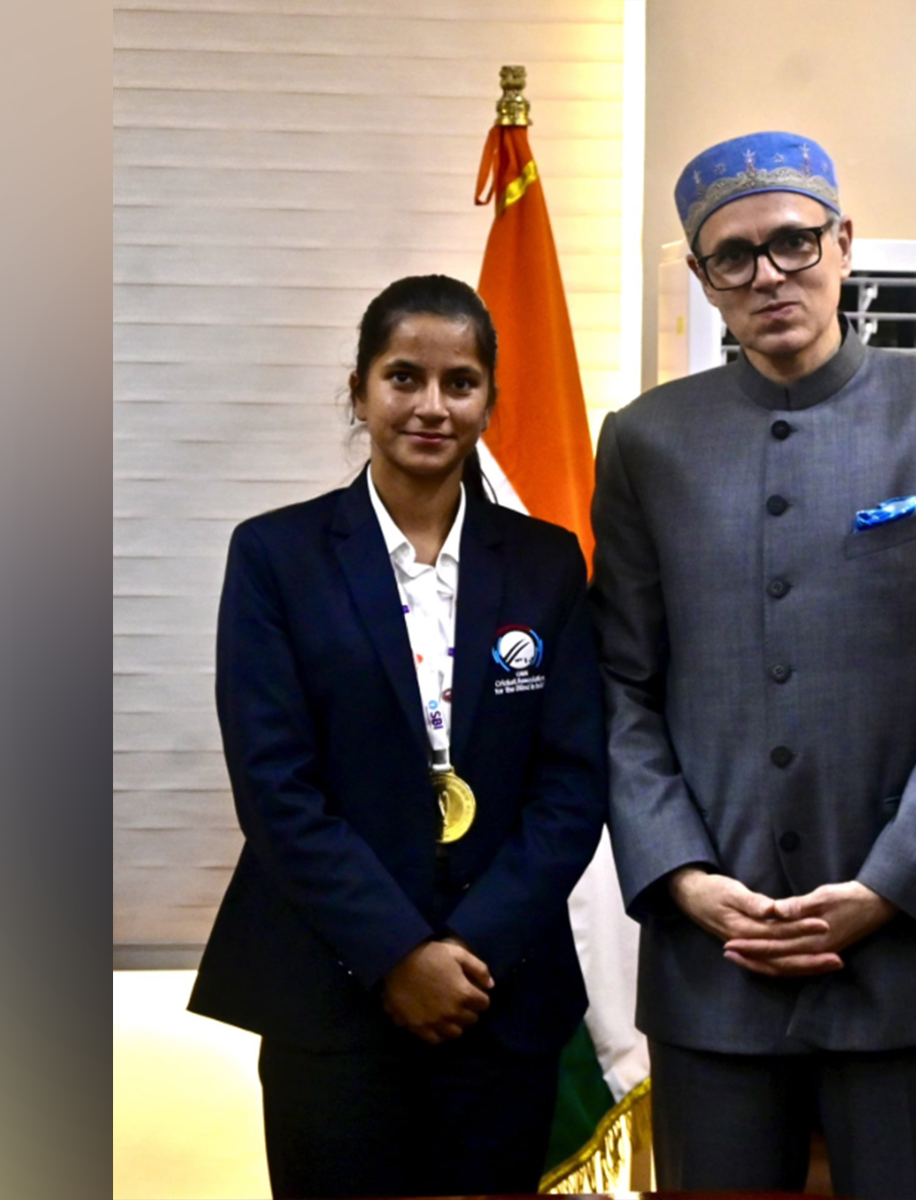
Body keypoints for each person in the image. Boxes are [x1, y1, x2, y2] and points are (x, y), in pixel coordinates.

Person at [589, 132, 916, 1199]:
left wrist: (887, 886)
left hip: (915, 960)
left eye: (793, 241)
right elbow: (621, 684)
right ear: (704, 281)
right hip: (717, 958)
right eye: (733, 257)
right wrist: (684, 878)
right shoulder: (646, 441)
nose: (768, 275)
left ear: (843, 244)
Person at [187, 275, 608, 1199]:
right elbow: (275, 788)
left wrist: (470, 952)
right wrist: (397, 955)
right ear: (360, 390)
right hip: (330, 993)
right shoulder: (275, 557)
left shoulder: (544, 564)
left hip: (500, 997)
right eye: (403, 376)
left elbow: (574, 784)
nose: (431, 405)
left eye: (460, 382)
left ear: (490, 401)